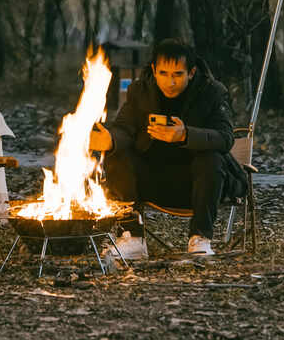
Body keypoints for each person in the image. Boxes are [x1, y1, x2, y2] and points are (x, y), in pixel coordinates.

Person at [89, 38, 239, 258]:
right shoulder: (140, 91)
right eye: (164, 74)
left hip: (198, 185)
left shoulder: (212, 92)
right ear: (154, 70)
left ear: (191, 72)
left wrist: (186, 135)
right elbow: (124, 128)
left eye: (178, 74)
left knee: (211, 158)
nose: (170, 82)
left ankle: (200, 239)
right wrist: (110, 140)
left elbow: (225, 138)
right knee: (117, 156)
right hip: (153, 181)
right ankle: (132, 237)